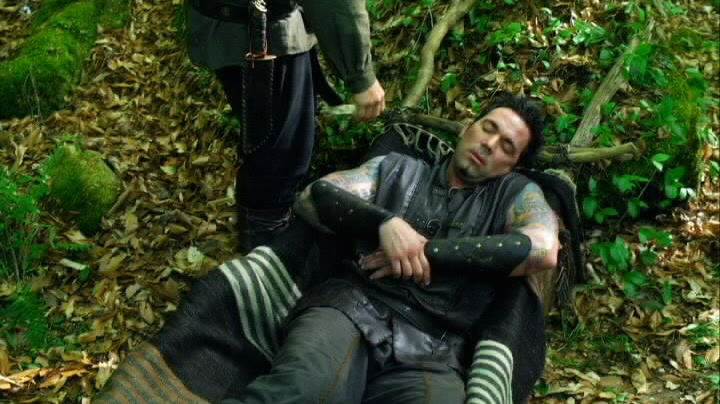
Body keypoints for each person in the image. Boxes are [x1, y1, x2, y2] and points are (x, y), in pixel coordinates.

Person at [222, 95, 559, 403]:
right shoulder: (397, 168)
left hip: (434, 349)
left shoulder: (515, 194)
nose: (489, 144)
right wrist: (384, 224)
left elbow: (544, 249)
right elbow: (314, 197)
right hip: (349, 309)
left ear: (511, 167)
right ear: (467, 127)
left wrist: (429, 252)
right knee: (305, 391)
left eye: (506, 147)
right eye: (488, 128)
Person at [186, 0, 386, 251]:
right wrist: (361, 75)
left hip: (241, 24)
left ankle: (268, 236)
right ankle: (266, 250)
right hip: (261, 34)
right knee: (280, 157)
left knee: (272, 147)